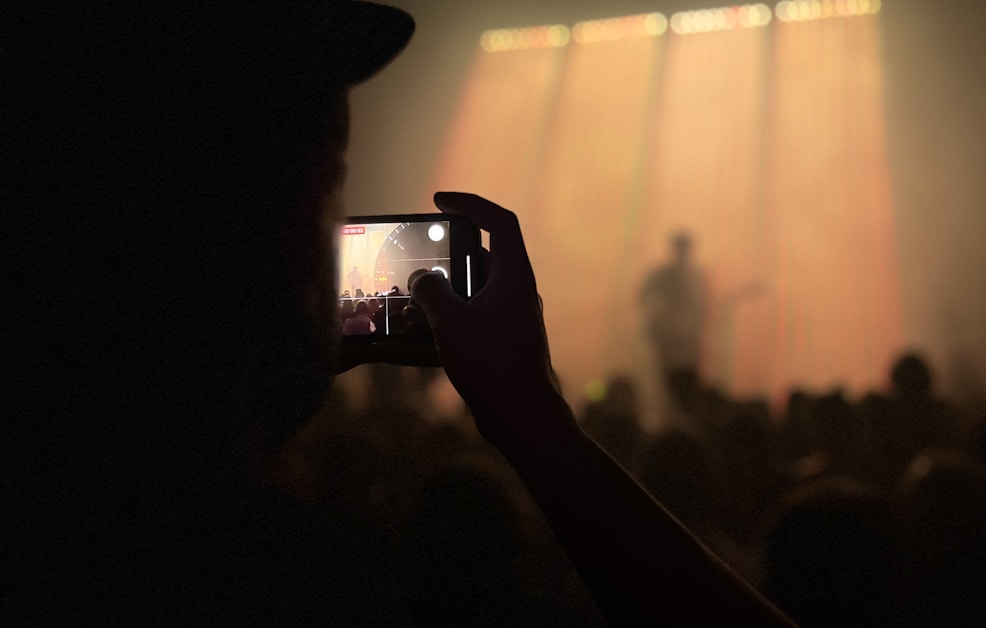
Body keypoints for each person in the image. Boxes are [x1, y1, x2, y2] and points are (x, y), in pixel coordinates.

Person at [5, 2, 793, 625]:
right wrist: (536, 420)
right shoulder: (297, 585)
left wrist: (261, 393)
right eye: (333, 185)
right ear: (269, 223)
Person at [640, 230, 709, 411]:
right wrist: (657, 321)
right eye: (681, 248)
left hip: (689, 339)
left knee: (688, 382)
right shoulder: (662, 274)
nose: (683, 252)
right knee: (666, 382)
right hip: (669, 337)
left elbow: (704, 305)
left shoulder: (698, 275)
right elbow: (644, 298)